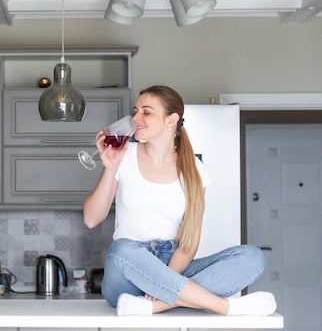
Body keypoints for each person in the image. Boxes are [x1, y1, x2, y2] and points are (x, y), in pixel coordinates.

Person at [83, 85, 276, 316]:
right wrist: (109, 167)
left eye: (146, 112)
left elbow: (189, 245)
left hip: (174, 265)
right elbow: (91, 219)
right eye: (136, 111)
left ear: (171, 119)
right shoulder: (124, 155)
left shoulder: (195, 169)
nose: (136, 118)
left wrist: (163, 282)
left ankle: (156, 306)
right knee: (120, 250)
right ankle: (222, 307)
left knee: (252, 257)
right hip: (128, 271)